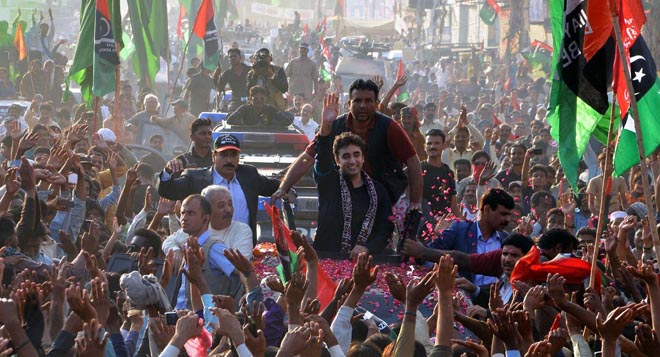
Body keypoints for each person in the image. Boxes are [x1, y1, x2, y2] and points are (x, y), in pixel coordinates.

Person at [273, 79, 423, 210]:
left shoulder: (389, 127)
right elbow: (308, 157)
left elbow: (413, 161)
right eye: (358, 101)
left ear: (376, 104)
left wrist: (415, 202)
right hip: (344, 197)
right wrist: (283, 188)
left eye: (368, 101)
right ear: (349, 103)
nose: (363, 105)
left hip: (382, 198)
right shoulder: (336, 125)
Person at [158, 134, 281, 243]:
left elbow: (274, 187)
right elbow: (168, 191)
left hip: (243, 250)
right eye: (223, 155)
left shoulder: (249, 175)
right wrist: (168, 171)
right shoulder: (196, 178)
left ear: (239, 157)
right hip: (207, 251)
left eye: (233, 155)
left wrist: (288, 191)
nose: (229, 160)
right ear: (214, 156)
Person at [403, 188, 514, 284]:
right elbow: (427, 256)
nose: (508, 220)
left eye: (509, 215)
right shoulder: (459, 230)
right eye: (503, 214)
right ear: (487, 210)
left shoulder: (506, 240)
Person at [313, 131, 393, 258]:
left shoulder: (378, 191)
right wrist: (325, 126)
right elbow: (321, 159)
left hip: (363, 264)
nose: (352, 161)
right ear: (337, 160)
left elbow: (386, 227)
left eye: (356, 155)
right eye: (346, 156)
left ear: (363, 158)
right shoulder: (328, 182)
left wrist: (368, 248)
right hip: (326, 259)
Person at [174, 194, 243, 309]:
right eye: (182, 213)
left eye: (191, 213)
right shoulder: (188, 246)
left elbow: (242, 272)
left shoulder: (214, 248)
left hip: (206, 321)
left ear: (206, 218)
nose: (184, 218)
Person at [420, 129, 460, 219]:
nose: (432, 146)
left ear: (444, 146)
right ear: (424, 147)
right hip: (422, 225)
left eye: (436, 143)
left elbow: (453, 206)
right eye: (429, 143)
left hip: (444, 225)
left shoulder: (448, 172)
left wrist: (463, 222)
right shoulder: (417, 169)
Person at [226, 85, 293, 127]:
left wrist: (271, 126)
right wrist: (245, 126)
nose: (259, 101)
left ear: (266, 99)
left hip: (267, 139)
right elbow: (230, 120)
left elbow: (286, 121)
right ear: (250, 99)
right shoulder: (244, 109)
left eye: (261, 99)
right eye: (256, 99)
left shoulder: (270, 109)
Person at [213, 48, 251, 113]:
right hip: (235, 101)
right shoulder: (227, 73)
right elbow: (219, 88)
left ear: (240, 58)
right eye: (230, 57)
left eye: (235, 56)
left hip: (250, 99)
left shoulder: (249, 70)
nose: (232, 58)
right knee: (230, 114)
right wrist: (216, 76)